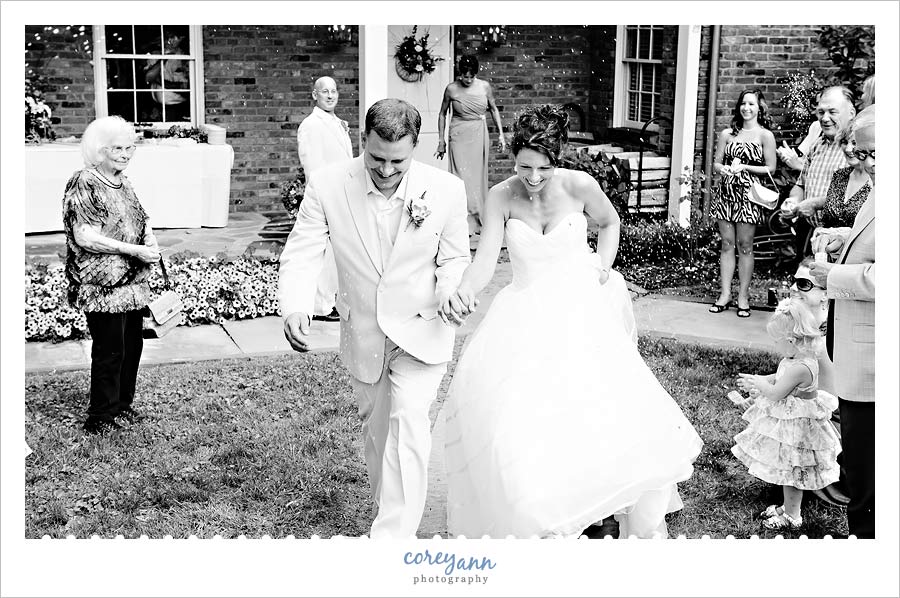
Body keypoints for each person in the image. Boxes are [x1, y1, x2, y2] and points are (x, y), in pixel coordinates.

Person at [441, 104, 703, 539]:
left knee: (590, 408)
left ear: (557, 158)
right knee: (529, 418)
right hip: (524, 315)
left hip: (578, 310)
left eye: (544, 167)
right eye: (525, 166)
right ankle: (545, 510)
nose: (534, 177)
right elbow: (485, 257)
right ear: (514, 157)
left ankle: (598, 513)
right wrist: (467, 288)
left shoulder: (580, 185)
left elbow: (610, 221)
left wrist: (602, 265)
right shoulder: (500, 196)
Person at [278, 99, 471, 539]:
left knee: (408, 424)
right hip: (364, 331)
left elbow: (455, 257)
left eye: (397, 162)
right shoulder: (328, 185)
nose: (385, 170)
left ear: (414, 149)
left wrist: (449, 293)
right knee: (379, 434)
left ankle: (389, 542)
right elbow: (304, 248)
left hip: (423, 327)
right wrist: (296, 305)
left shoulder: (446, 190)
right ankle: (391, 514)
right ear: (363, 140)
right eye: (377, 158)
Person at [63, 116, 161, 434]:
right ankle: (100, 417)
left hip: (131, 284)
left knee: (132, 346)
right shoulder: (85, 181)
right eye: (117, 148)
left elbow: (141, 220)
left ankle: (122, 406)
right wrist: (133, 251)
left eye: (129, 147)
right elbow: (84, 236)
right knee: (110, 350)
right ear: (99, 150)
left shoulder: (124, 181)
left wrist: (150, 240)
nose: (125, 153)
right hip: (101, 284)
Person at [809, 106, 875, 538]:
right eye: (864, 152)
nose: (866, 162)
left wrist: (834, 276)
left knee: (869, 479)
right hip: (859, 349)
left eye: (875, 152)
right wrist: (844, 238)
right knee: (858, 463)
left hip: (875, 363)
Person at [732, 297, 841, 530]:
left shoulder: (802, 367)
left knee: (793, 473)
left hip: (798, 428)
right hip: (792, 422)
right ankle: (786, 507)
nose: (775, 346)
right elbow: (778, 377)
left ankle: (793, 516)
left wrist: (759, 384)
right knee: (787, 470)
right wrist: (759, 381)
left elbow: (775, 392)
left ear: (791, 340)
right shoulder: (794, 358)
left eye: (776, 341)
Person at [708, 89, 777, 318]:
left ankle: (743, 296)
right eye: (743, 103)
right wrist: (724, 168)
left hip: (749, 195)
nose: (746, 108)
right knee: (727, 244)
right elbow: (716, 163)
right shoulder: (728, 133)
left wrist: (745, 167)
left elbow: (771, 168)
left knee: (745, 245)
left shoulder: (765, 135)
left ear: (759, 107)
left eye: (751, 104)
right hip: (727, 193)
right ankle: (725, 293)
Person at [296, 76, 354, 322]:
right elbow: (312, 166)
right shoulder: (311, 124)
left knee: (336, 250)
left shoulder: (335, 121)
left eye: (334, 91)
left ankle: (331, 299)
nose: (330, 96)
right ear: (314, 95)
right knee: (324, 251)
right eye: (324, 92)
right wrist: (321, 198)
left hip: (342, 193)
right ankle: (321, 305)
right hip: (326, 195)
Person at [778, 86, 855, 260]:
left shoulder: (857, 150)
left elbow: (859, 196)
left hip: (842, 241)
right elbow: (801, 183)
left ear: (851, 113)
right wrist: (794, 201)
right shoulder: (817, 144)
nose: (825, 118)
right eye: (821, 112)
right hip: (812, 236)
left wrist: (815, 204)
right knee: (807, 283)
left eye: (832, 112)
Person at [435, 55, 507, 236]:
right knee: (460, 178)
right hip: (458, 135)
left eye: (471, 76)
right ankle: (463, 221)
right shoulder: (451, 89)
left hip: (478, 133)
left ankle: (478, 219)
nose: (467, 80)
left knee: (477, 178)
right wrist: (441, 140)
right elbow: (442, 114)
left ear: (475, 74)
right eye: (464, 76)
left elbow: (493, 108)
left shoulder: (484, 87)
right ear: (460, 73)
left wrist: (501, 136)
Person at [816, 112, 873, 229]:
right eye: (844, 142)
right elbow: (825, 219)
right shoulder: (840, 175)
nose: (848, 149)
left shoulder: (874, 179)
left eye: (854, 143)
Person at [142, 31, 190, 123]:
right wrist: (164, 58)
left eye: (174, 37)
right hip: (159, 106)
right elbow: (149, 77)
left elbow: (185, 86)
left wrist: (161, 81)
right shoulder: (155, 55)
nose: (170, 41)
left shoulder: (184, 56)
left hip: (178, 105)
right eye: (168, 38)